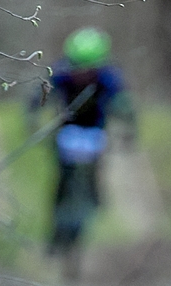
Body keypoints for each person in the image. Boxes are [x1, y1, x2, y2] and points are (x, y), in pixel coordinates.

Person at [43, 28, 134, 272]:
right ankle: (55, 231)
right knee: (62, 183)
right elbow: (39, 95)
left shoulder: (109, 77)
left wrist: (129, 129)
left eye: (88, 69)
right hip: (66, 135)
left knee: (92, 177)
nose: (82, 74)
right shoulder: (61, 73)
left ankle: (93, 198)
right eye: (77, 67)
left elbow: (124, 104)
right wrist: (32, 115)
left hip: (94, 135)